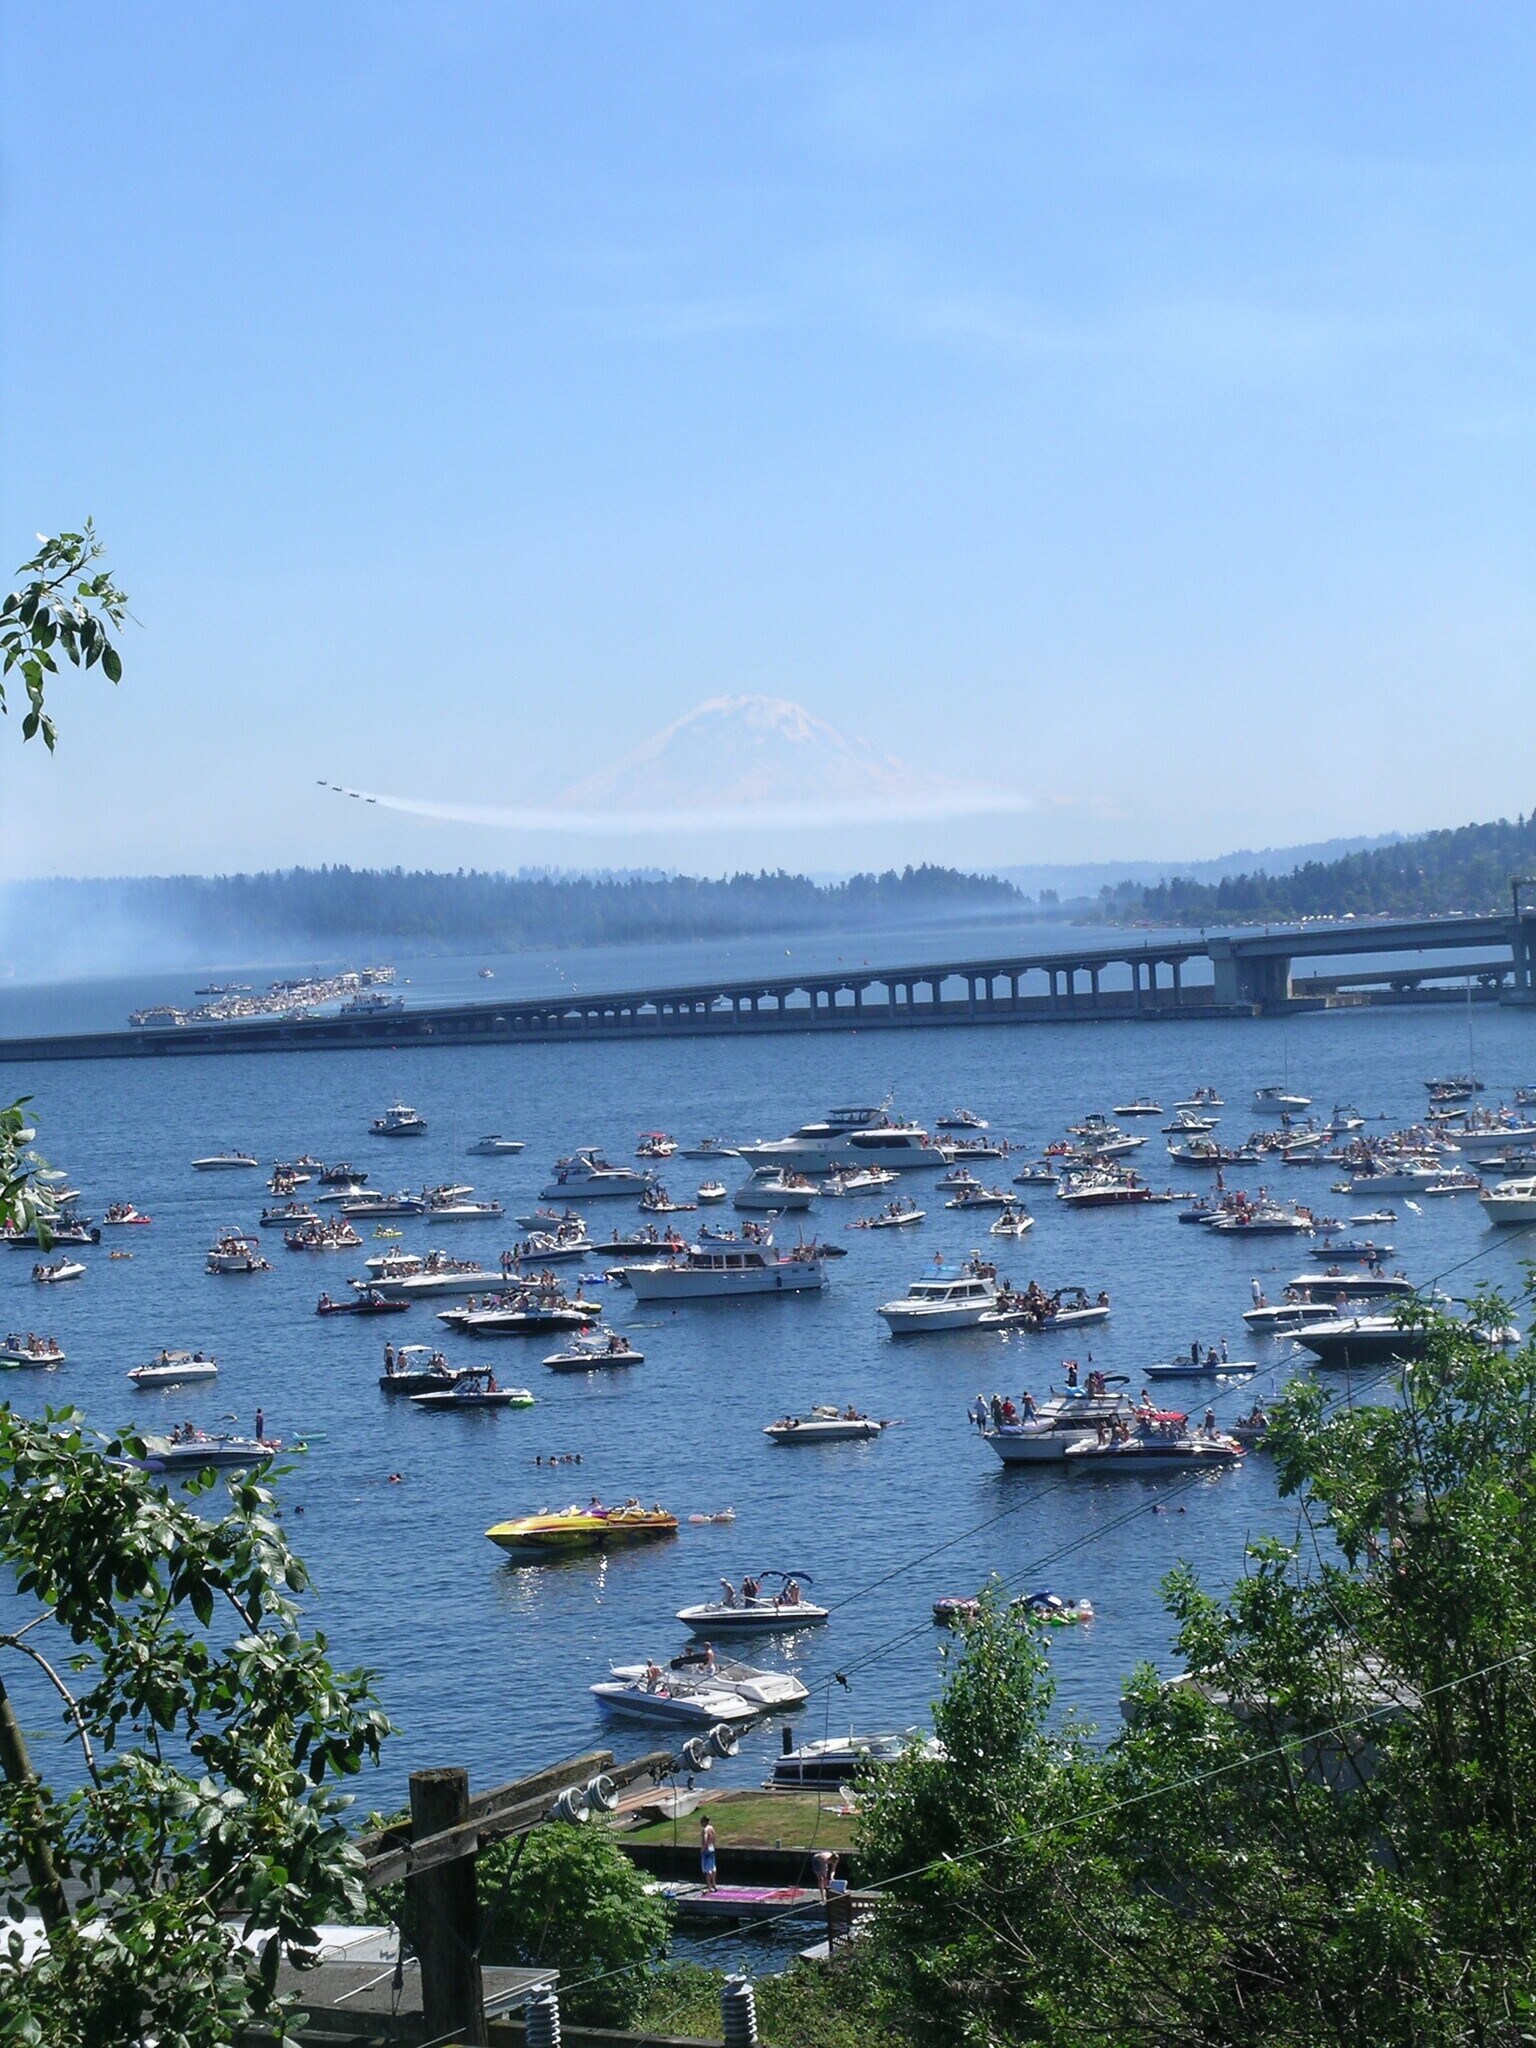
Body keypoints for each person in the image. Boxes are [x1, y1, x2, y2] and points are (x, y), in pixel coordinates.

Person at [699, 1815, 718, 1892]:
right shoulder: (711, 1828)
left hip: (706, 1850)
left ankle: (709, 1887)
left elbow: (706, 1838)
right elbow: (714, 1836)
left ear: (704, 1821)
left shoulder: (705, 1830)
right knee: (713, 1867)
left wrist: (703, 1849)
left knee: (707, 1870)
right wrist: (713, 1844)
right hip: (712, 1848)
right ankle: (714, 1883)